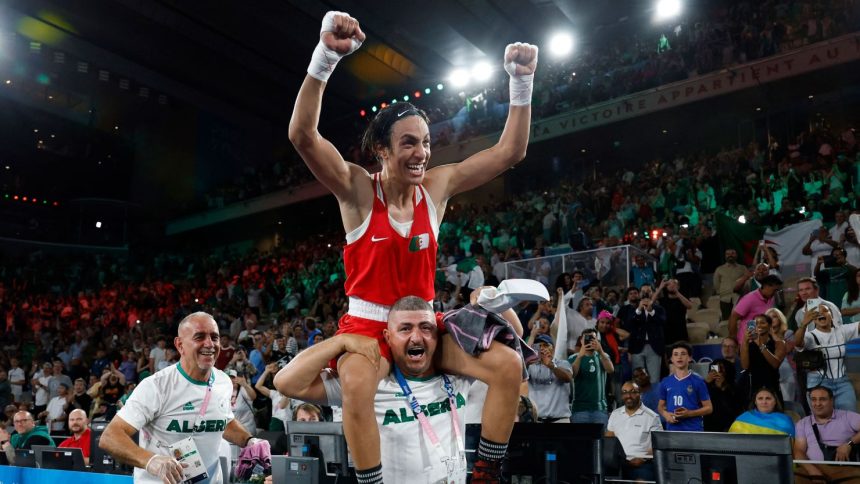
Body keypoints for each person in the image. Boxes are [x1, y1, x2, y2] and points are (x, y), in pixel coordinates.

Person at [288, 10, 538, 483]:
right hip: (369, 324)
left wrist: (520, 83)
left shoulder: (436, 189)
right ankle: (371, 480)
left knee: (507, 364)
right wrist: (324, 60)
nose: (422, 152)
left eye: (425, 142)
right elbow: (302, 136)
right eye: (408, 143)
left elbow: (510, 153)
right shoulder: (359, 191)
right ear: (382, 150)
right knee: (358, 384)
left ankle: (486, 470)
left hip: (425, 319)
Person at [275, 296, 473, 484]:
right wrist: (340, 341)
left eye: (426, 328)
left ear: (437, 335)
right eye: (405, 329)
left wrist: (487, 301)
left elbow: (503, 360)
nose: (416, 337)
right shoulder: (369, 385)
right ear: (388, 337)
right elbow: (286, 382)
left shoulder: (458, 378)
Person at [99, 312, 265, 484]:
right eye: (199, 337)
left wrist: (249, 440)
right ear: (180, 345)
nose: (209, 344)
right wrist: (150, 460)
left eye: (214, 337)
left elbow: (225, 421)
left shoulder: (223, 382)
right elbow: (110, 437)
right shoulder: (156, 386)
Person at [794, 304, 859, 411]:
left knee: (849, 417)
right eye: (817, 313)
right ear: (813, 320)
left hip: (842, 381)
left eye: (825, 311)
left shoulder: (841, 331)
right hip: (818, 382)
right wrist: (803, 324)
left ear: (832, 316)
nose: (821, 314)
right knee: (823, 420)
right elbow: (797, 343)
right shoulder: (810, 336)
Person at [794, 386, 860, 482]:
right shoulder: (803, 423)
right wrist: (813, 471)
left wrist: (849, 444)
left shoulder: (847, 416)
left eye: (822, 399)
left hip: (845, 469)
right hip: (813, 469)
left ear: (831, 400)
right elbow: (799, 451)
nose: (817, 403)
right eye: (813, 399)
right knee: (796, 478)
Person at [606, 381, 662, 482]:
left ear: (640, 394)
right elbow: (609, 440)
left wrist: (642, 459)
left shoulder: (652, 417)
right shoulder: (615, 414)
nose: (628, 396)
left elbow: (658, 445)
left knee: (641, 482)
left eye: (633, 392)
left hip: (641, 463)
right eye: (624, 392)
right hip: (617, 462)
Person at [658, 342, 712, 431]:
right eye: (676, 354)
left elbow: (709, 408)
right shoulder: (665, 382)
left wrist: (689, 413)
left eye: (683, 354)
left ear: (690, 358)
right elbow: (660, 406)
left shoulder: (698, 381)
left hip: (693, 430)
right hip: (672, 430)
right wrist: (666, 414)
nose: (679, 357)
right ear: (671, 359)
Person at [739, 313, 786, 406]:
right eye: (756, 323)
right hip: (753, 387)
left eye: (762, 322)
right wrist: (745, 341)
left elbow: (775, 364)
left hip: (772, 385)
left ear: (769, 326)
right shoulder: (748, 345)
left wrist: (760, 344)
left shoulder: (779, 344)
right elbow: (745, 366)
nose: (759, 325)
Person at [570, 328, 614, 427]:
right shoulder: (573, 358)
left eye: (592, 338)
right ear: (581, 340)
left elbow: (610, 370)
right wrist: (580, 356)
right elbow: (572, 375)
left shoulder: (603, 356)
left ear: (597, 340)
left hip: (600, 409)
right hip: (579, 409)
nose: (589, 341)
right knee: (580, 442)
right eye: (586, 338)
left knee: (600, 441)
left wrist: (601, 351)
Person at [527, 334, 572, 423]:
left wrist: (551, 365)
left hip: (560, 420)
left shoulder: (562, 363)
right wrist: (529, 360)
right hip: (536, 420)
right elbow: (517, 379)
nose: (542, 348)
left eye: (546, 345)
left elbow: (568, 378)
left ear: (553, 348)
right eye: (539, 346)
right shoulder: (530, 366)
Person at [728, 274, 782, 343]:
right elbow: (733, 317)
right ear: (766, 286)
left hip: (761, 343)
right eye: (774, 290)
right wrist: (733, 339)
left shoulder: (771, 299)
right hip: (746, 343)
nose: (775, 293)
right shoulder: (749, 299)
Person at [729, 387, 794, 436]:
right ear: (755, 402)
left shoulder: (785, 420)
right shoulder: (743, 418)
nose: (764, 402)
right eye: (760, 398)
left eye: (768, 398)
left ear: (775, 402)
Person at [703, 359, 743, 432]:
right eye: (715, 368)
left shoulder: (735, 389)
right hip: (710, 428)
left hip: (731, 427)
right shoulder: (706, 387)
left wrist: (722, 388)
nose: (718, 372)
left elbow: (734, 409)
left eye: (721, 368)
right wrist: (706, 382)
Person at [254, 363, 292, 431]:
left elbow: (282, 405)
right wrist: (266, 371)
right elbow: (258, 386)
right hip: (275, 423)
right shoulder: (274, 394)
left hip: (288, 423)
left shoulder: (292, 393)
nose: (278, 383)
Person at [713, 249, 748, 320]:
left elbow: (747, 281)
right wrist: (722, 293)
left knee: (741, 320)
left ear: (736, 255)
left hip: (739, 299)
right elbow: (716, 284)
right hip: (725, 299)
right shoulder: (719, 269)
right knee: (726, 322)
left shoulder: (743, 268)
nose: (730, 255)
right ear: (725, 256)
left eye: (732, 253)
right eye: (728, 254)